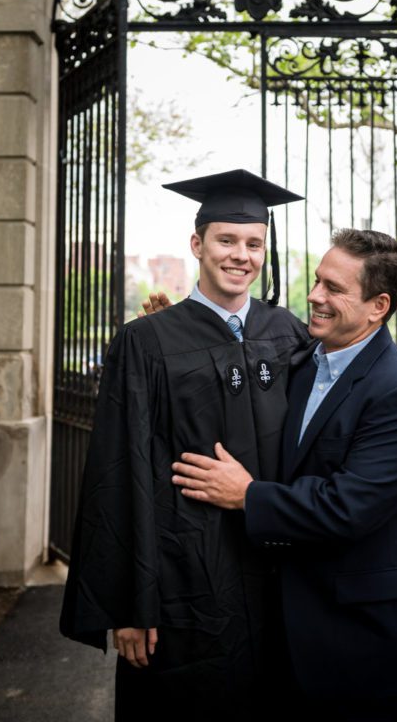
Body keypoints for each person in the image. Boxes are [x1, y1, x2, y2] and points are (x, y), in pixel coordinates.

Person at [59, 169, 311, 720]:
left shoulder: (287, 332)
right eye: (226, 240)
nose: (240, 255)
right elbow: (116, 468)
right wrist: (129, 602)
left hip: (274, 570)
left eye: (253, 244)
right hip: (183, 574)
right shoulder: (146, 342)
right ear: (197, 244)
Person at [172, 228, 397, 722]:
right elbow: (231, 383)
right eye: (317, 281)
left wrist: (248, 496)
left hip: (368, 646)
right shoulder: (297, 363)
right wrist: (171, 337)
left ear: (378, 306)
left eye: (333, 289)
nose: (314, 296)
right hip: (285, 641)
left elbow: (349, 506)